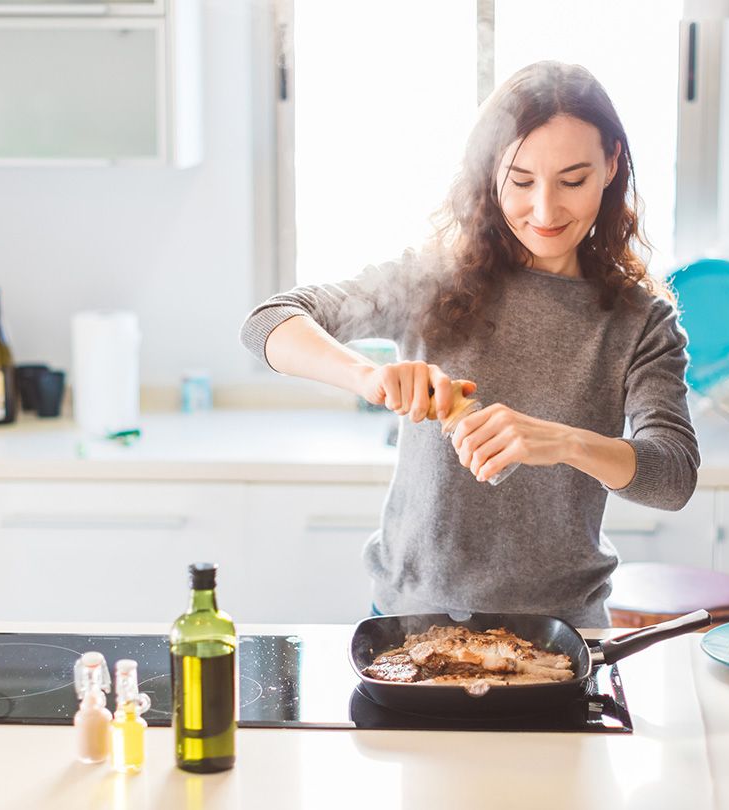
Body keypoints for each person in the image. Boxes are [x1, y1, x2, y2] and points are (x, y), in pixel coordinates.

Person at [240, 61, 699, 627]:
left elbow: (674, 476)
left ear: (611, 165)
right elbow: (269, 321)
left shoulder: (639, 321)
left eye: (572, 180)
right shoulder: (433, 282)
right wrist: (370, 378)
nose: (545, 211)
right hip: (411, 620)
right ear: (489, 172)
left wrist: (564, 443)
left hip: (564, 632)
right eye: (521, 180)